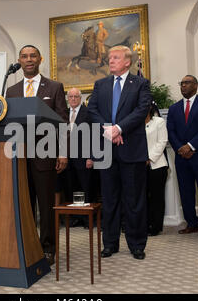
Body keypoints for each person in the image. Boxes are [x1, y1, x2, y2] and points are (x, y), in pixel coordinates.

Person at [5, 44, 68, 265]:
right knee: (24, 203)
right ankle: (28, 245)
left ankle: (48, 248)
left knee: (46, 204)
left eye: (33, 56)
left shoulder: (54, 87)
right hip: (20, 156)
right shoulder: (11, 91)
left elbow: (62, 122)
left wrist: (62, 152)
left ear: (40, 59)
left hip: (46, 154)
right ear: (19, 61)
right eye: (24, 56)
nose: (29, 59)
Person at [88, 45, 151, 260]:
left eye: (115, 57)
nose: (110, 60)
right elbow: (92, 110)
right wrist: (108, 130)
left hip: (132, 149)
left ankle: (136, 244)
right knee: (109, 198)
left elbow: (142, 110)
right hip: (106, 150)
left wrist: (119, 128)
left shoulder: (141, 83)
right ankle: (110, 243)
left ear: (127, 61)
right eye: (109, 57)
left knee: (134, 200)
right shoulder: (100, 84)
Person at [167, 75, 198, 236]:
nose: (183, 86)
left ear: (195, 86)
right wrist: (180, 148)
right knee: (185, 192)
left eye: (187, 83)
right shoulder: (174, 108)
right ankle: (192, 223)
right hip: (181, 157)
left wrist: (190, 146)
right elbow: (171, 131)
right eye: (181, 83)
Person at [65, 87, 95, 227]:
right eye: (70, 97)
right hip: (68, 158)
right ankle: (75, 216)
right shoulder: (64, 113)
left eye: (76, 97)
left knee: (86, 187)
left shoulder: (88, 113)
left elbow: (93, 136)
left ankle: (87, 218)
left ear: (80, 98)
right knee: (71, 186)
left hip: (84, 157)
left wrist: (91, 157)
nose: (73, 99)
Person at [145, 102, 169, 236]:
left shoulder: (159, 122)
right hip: (138, 165)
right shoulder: (134, 123)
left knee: (157, 197)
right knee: (142, 197)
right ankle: (144, 223)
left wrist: (148, 158)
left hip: (157, 165)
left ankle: (155, 226)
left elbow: (162, 141)